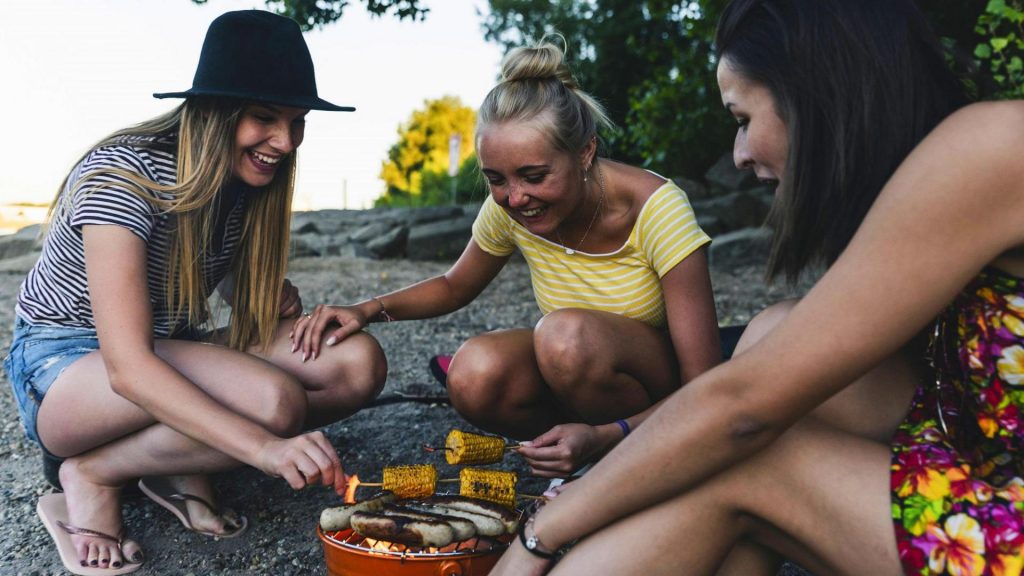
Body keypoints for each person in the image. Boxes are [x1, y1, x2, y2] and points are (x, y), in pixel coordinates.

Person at [487, 0, 1024, 574]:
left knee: (750, 452)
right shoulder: (935, 167)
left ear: (813, 93)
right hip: (978, 441)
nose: (739, 155)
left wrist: (539, 537)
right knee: (772, 336)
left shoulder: (992, 146)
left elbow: (739, 405)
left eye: (742, 119)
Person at [2, 10, 386, 575]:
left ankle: (154, 460)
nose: (284, 141)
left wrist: (262, 288)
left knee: (356, 363)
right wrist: (263, 448)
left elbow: (203, 269)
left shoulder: (240, 182)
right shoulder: (123, 174)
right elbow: (127, 366)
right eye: (263, 118)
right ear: (214, 111)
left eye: (296, 121)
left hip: (167, 348)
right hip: (68, 368)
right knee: (273, 405)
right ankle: (90, 472)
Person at [292, 39, 720, 478]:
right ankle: (564, 450)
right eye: (496, 179)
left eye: (535, 176)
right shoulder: (508, 208)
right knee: (471, 375)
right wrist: (367, 309)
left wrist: (611, 432)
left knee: (563, 336)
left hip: (655, 389)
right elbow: (454, 285)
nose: (515, 198)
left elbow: (706, 383)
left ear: (585, 152)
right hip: (568, 371)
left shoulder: (658, 208)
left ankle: (625, 458)